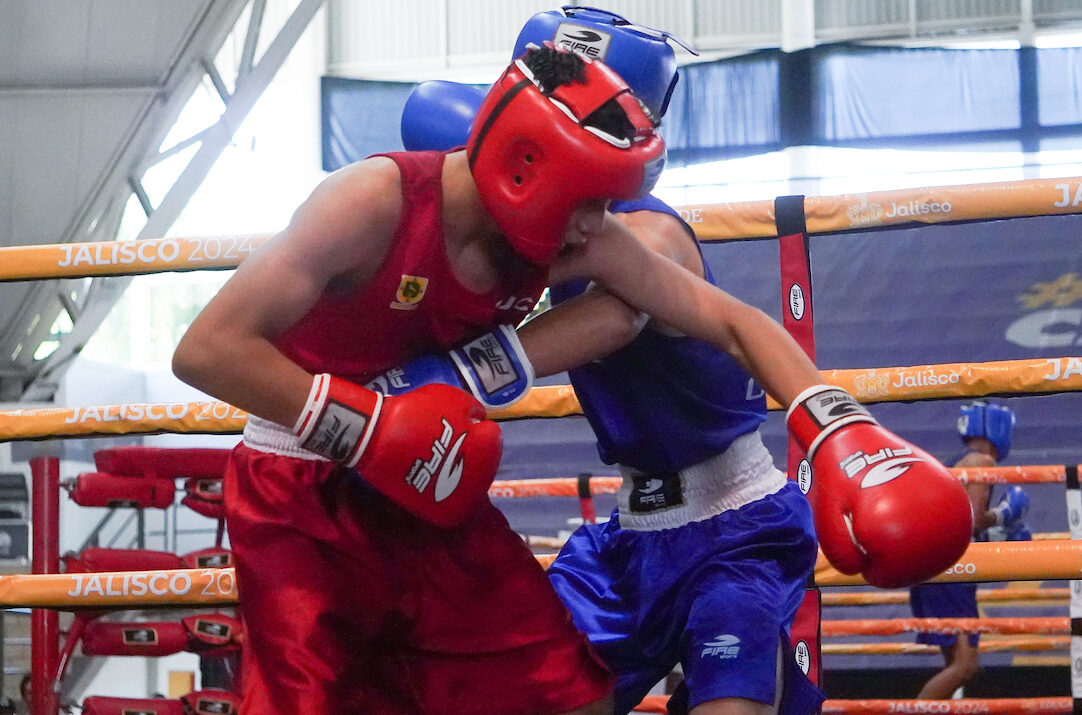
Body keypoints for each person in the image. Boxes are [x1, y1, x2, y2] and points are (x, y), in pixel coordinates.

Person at [176, 39, 969, 715]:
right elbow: (206, 349)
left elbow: (727, 318)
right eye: (590, 200)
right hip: (304, 484)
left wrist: (840, 427)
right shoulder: (368, 201)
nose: (601, 225)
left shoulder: (577, 236)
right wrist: (368, 425)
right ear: (525, 171)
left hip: (429, 473)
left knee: (562, 692)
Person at [908, 400, 1024, 700]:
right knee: (965, 665)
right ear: (996, 429)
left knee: (955, 664)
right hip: (949, 569)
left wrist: (997, 531)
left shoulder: (956, 461)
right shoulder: (981, 463)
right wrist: (1003, 515)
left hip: (933, 565)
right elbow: (970, 520)